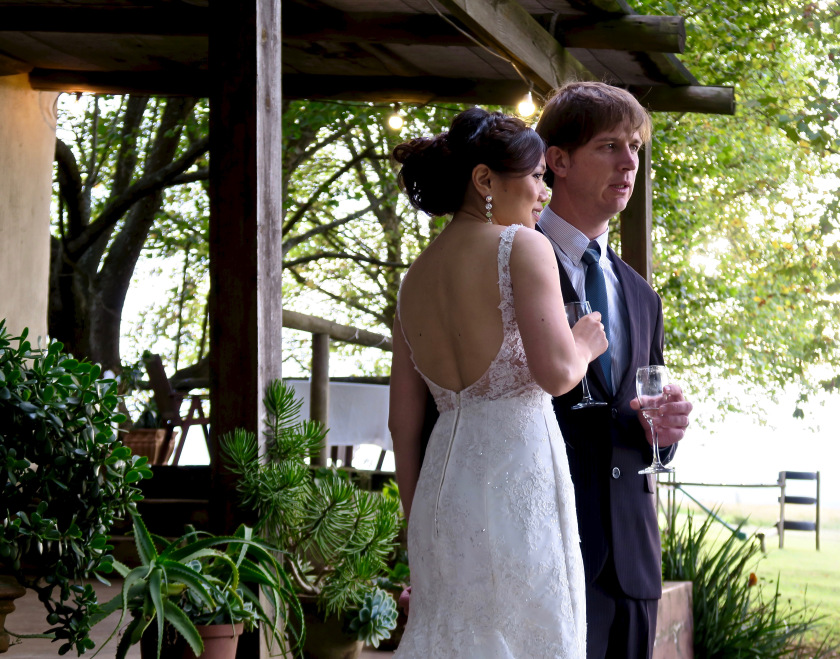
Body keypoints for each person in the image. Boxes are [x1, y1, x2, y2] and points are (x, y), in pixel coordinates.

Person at [388, 107, 608, 658]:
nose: (544, 194)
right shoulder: (521, 246)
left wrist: (417, 530)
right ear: (485, 180)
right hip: (517, 482)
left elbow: (402, 427)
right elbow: (557, 375)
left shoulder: (412, 281)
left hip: (439, 497)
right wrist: (583, 345)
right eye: (536, 176)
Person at [534, 81, 693, 659]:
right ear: (558, 161)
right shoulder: (512, 263)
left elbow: (639, 413)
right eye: (609, 146)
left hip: (633, 560)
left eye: (634, 147)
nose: (629, 162)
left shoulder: (642, 296)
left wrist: (665, 431)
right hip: (544, 549)